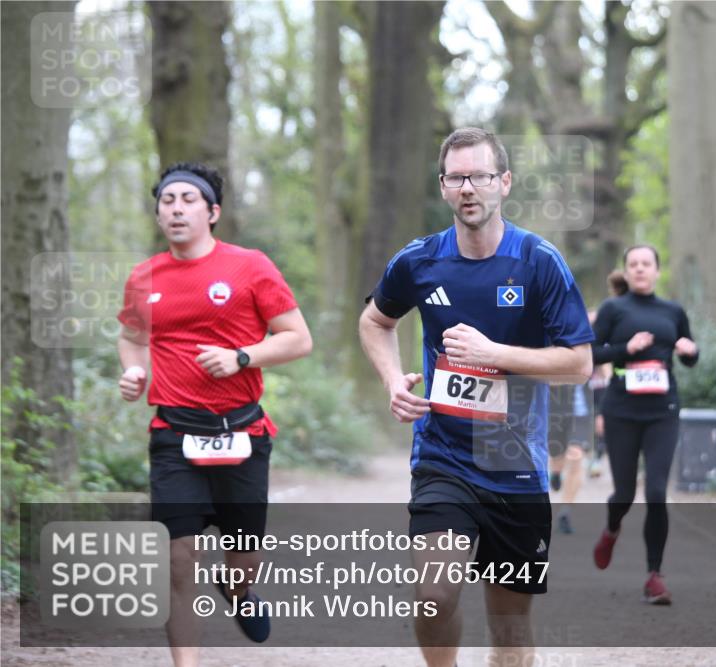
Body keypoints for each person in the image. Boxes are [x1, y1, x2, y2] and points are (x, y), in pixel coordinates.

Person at [358, 128, 593, 667]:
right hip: (444, 457)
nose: (469, 188)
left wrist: (495, 352)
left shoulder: (538, 261)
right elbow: (375, 322)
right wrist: (393, 379)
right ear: (443, 187)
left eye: (481, 176)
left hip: (515, 461)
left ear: (503, 183)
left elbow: (579, 364)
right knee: (434, 594)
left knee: (510, 632)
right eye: (457, 177)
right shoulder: (418, 262)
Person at [117, 162, 312, 666]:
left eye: (188, 199)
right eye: (167, 200)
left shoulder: (250, 266)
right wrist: (135, 372)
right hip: (174, 436)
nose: (176, 208)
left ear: (213, 211)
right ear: (159, 212)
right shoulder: (144, 277)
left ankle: (237, 588)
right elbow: (132, 337)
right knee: (179, 562)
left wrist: (242, 356)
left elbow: (297, 338)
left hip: (242, 433)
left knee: (243, 557)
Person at [589, 245, 698, 605]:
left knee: (655, 492)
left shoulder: (672, 311)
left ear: (657, 270)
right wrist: (627, 347)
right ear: (627, 270)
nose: (639, 269)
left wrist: (690, 351)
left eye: (645, 264)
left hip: (662, 411)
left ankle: (655, 576)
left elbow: (690, 353)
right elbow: (590, 354)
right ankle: (611, 529)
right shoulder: (613, 309)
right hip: (621, 410)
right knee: (624, 494)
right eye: (633, 264)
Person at [588, 269, 628, 478]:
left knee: (601, 422)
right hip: (582, 382)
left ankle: (597, 458)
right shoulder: (600, 315)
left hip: (603, 382)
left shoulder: (611, 318)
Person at [546, 382, 591, 534]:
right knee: (557, 457)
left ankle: (565, 510)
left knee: (575, 456)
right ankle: (556, 473)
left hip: (580, 414)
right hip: (554, 411)